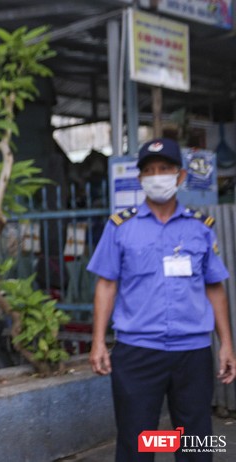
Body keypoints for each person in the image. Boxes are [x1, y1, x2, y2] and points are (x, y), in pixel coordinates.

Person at [87, 137, 236, 461]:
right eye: (150, 170)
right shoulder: (120, 227)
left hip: (192, 352)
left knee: (196, 441)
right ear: (141, 178)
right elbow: (106, 284)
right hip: (138, 351)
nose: (157, 176)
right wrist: (98, 341)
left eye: (165, 169)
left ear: (180, 176)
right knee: (139, 440)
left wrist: (226, 343)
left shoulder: (200, 227)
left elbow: (214, 287)